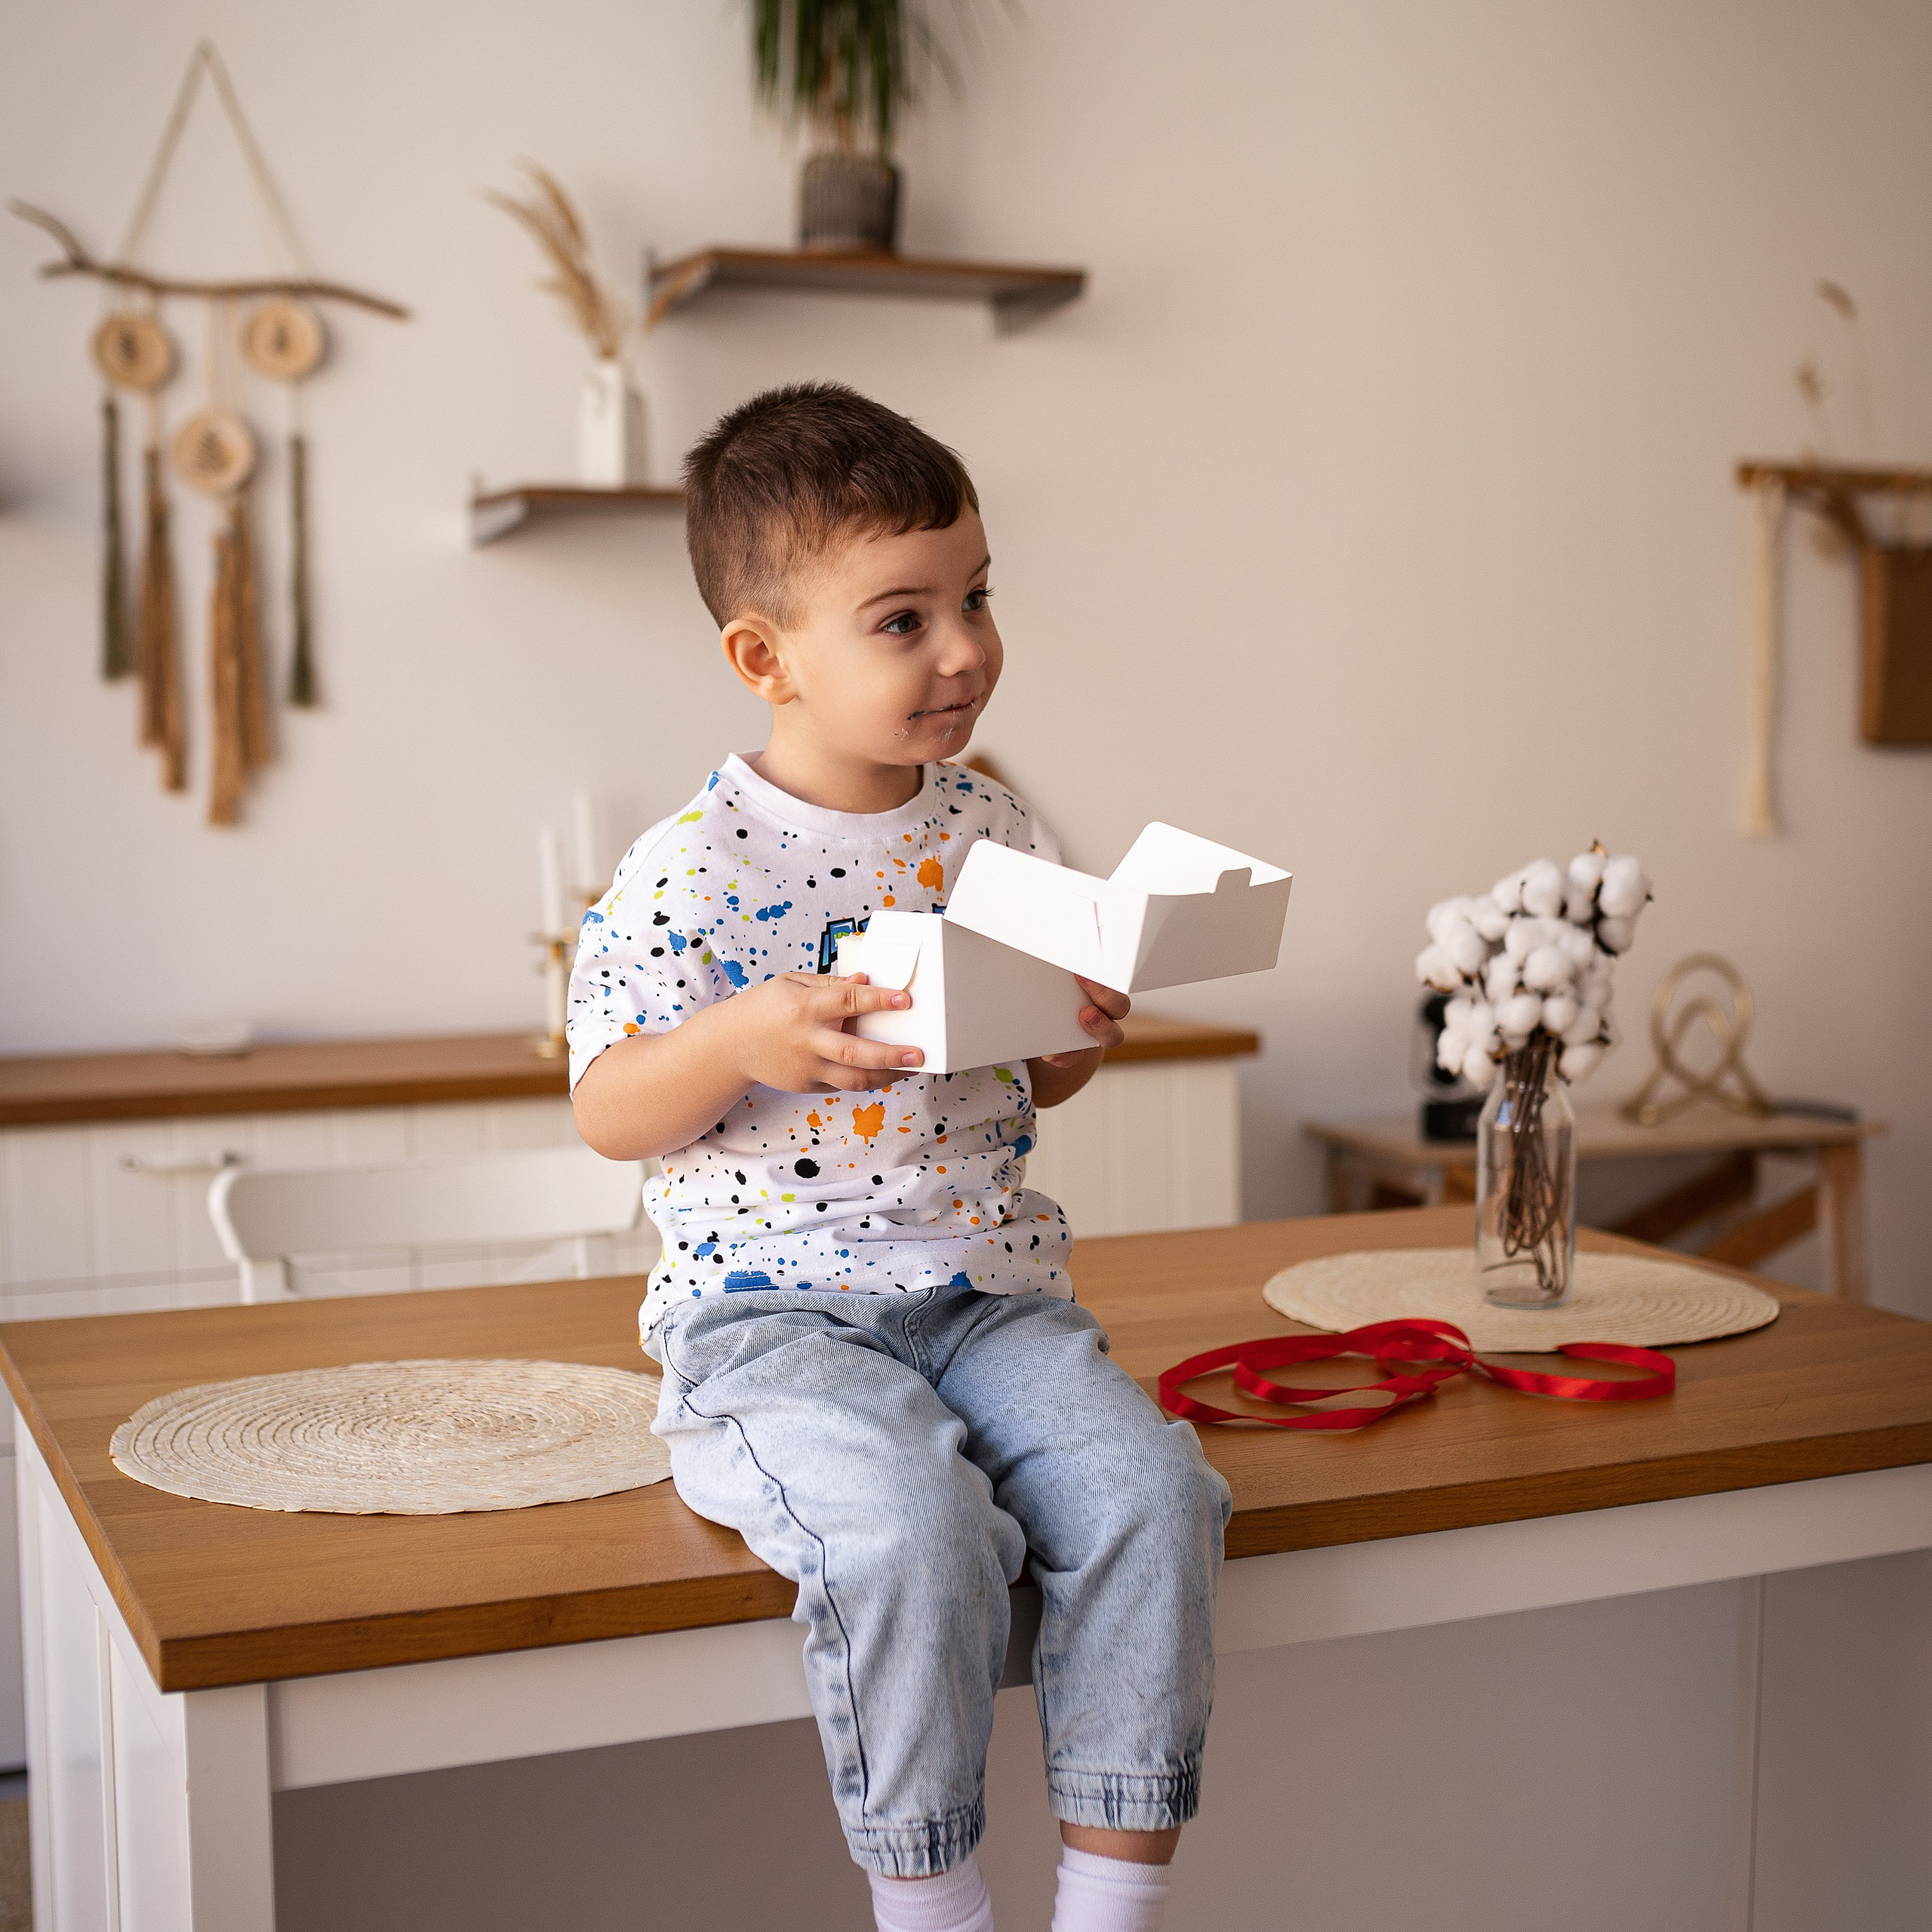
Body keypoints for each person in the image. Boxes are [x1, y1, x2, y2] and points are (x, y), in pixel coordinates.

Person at [570, 383, 1230, 1932]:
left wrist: (1074, 1029)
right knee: (911, 1530)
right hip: (772, 1314)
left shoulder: (996, 823)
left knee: (1153, 1490)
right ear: (763, 655)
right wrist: (739, 1039)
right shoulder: (689, 867)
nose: (963, 647)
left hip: (987, 1298)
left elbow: (1035, 1074)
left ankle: (1112, 1895)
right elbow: (606, 1106)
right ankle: (931, 1902)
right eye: (901, 616)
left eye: (976, 595)